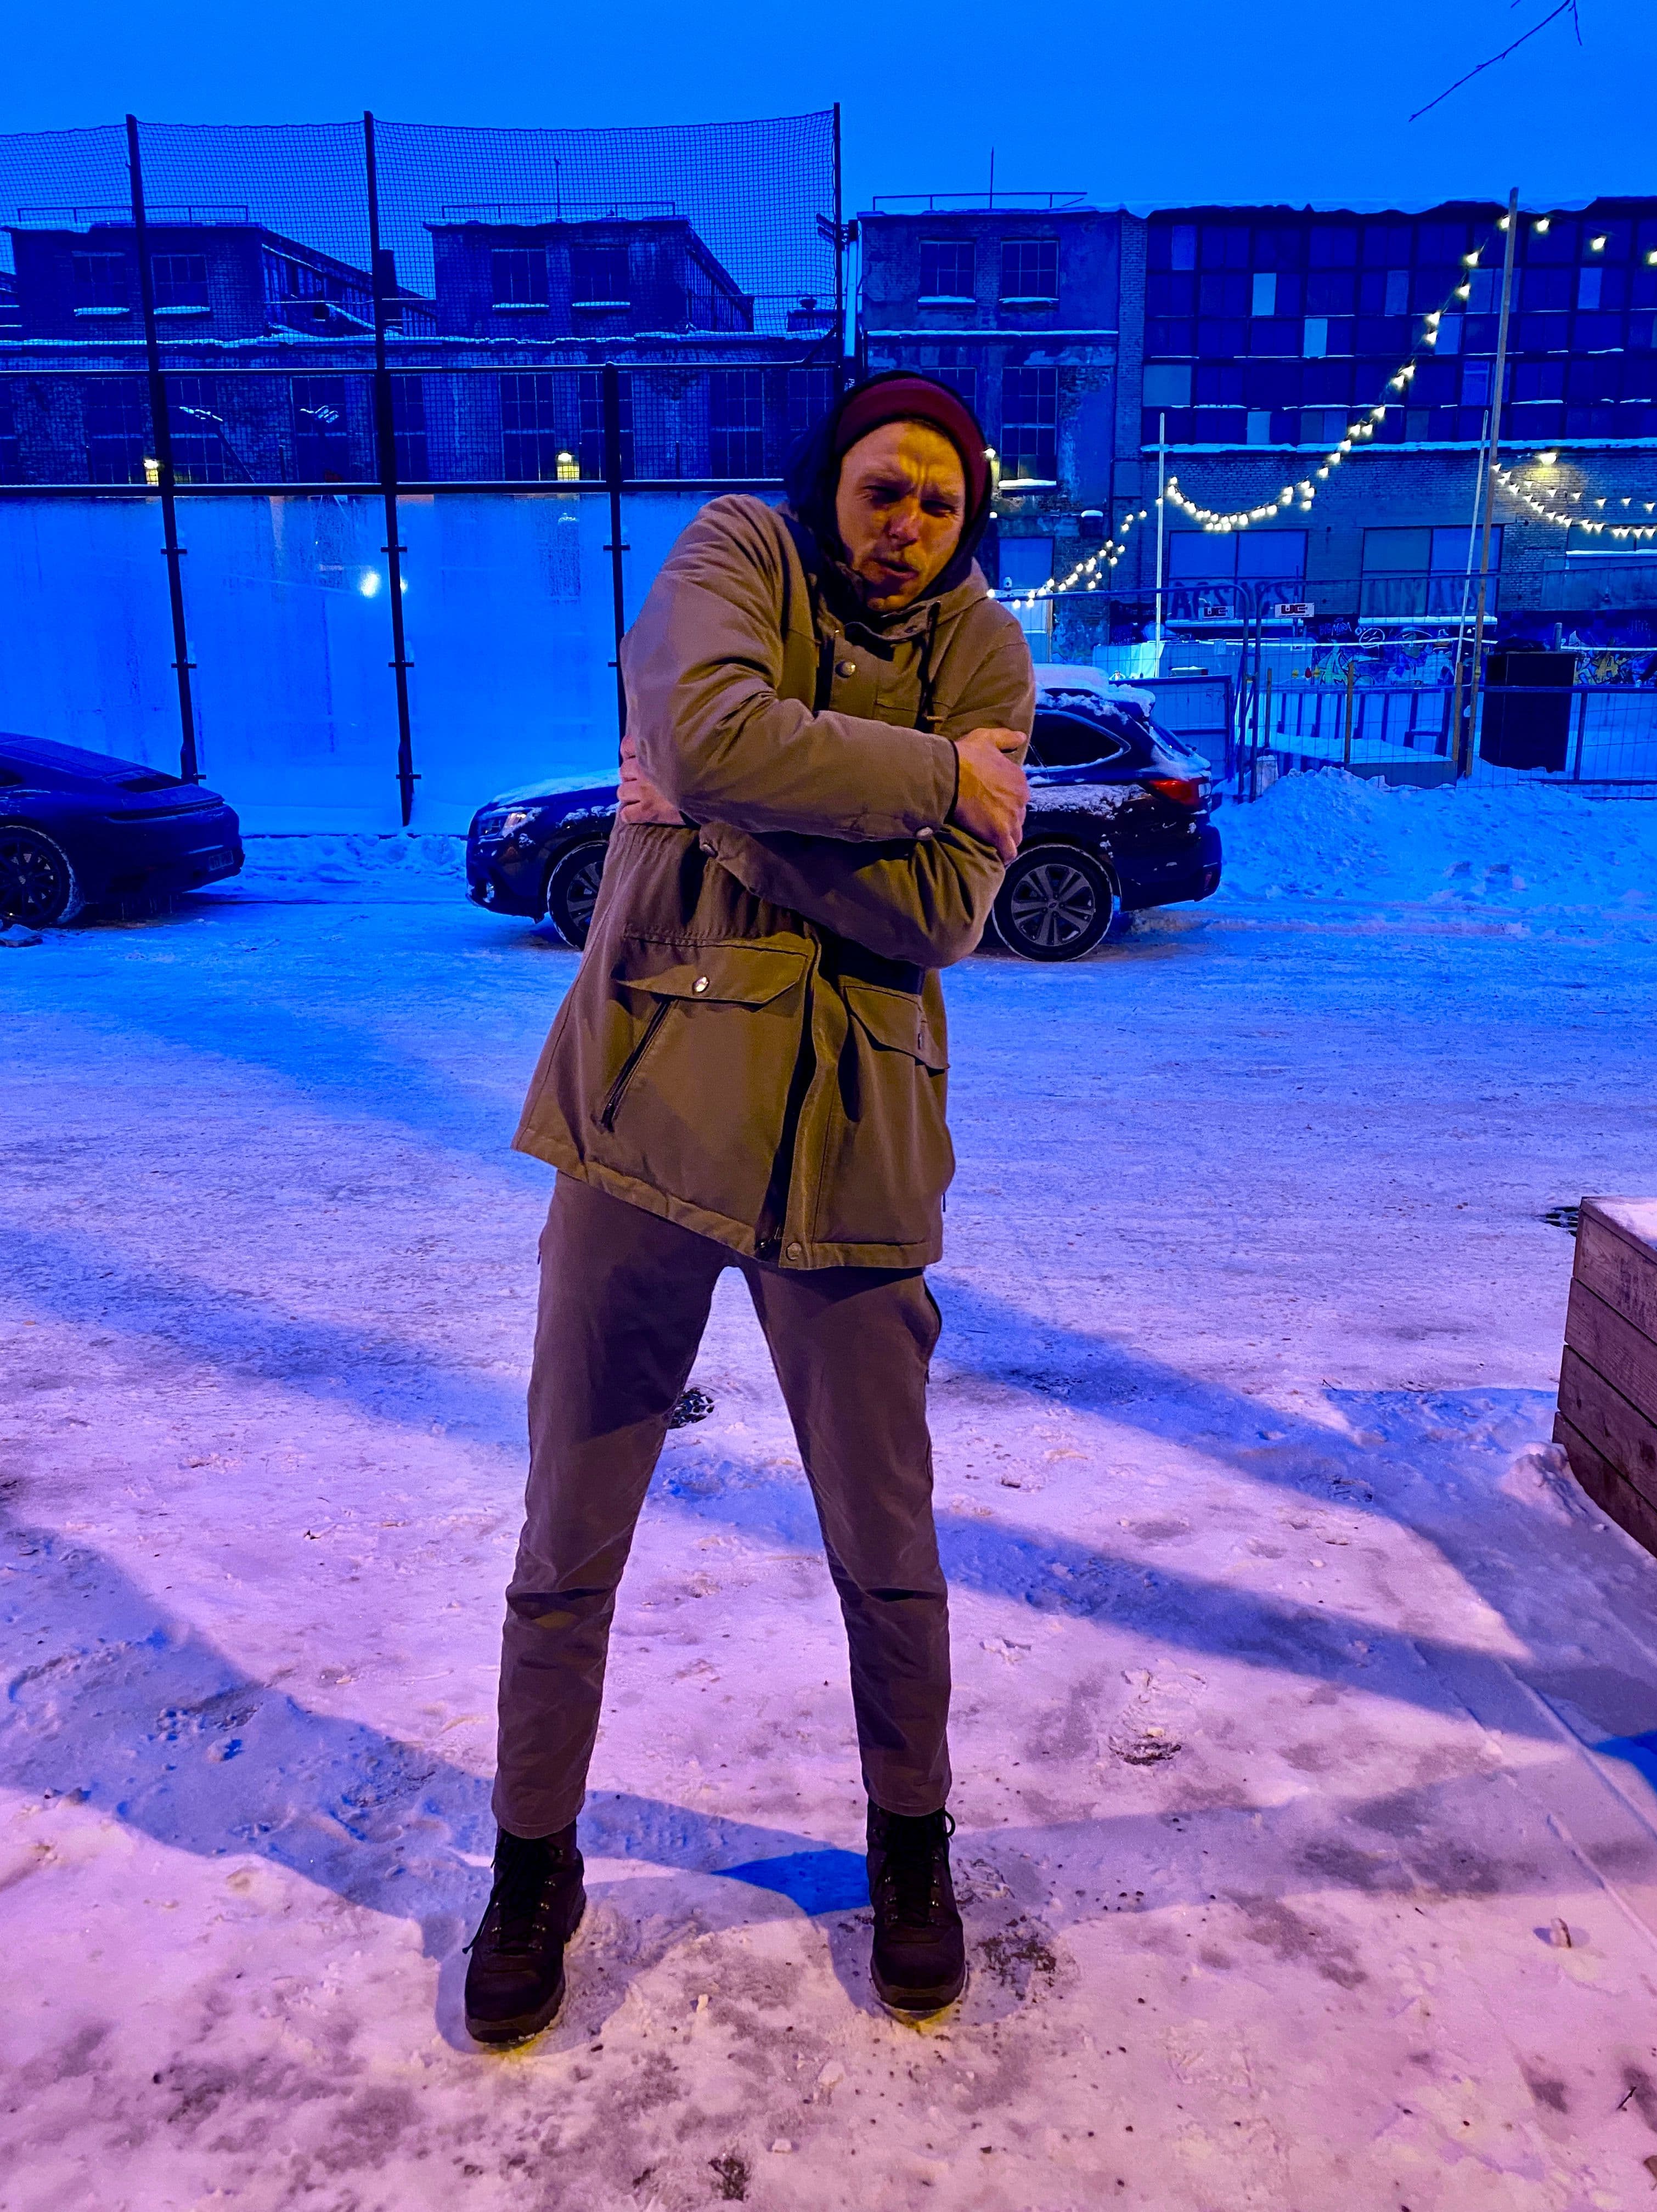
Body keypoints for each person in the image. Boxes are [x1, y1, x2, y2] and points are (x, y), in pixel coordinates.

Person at [464, 372, 1033, 2045]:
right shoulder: (735, 551)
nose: (906, 522)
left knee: (889, 1544)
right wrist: (923, 776)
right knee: (570, 1531)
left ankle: (911, 1845)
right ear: (830, 483)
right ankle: (533, 1861)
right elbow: (709, 732)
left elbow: (940, 914)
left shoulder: (987, 653)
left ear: (969, 519)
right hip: (645, 1112)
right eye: (882, 488)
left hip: (858, 1139)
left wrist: (726, 803)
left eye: (939, 500)